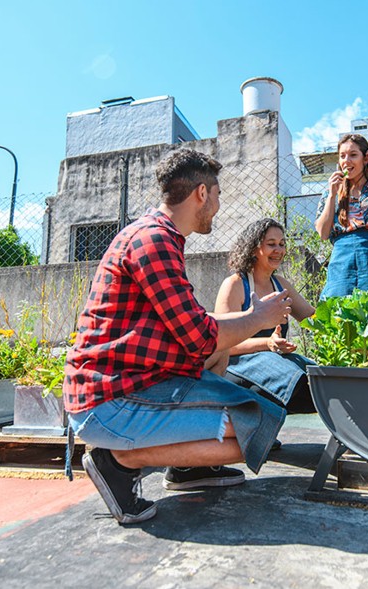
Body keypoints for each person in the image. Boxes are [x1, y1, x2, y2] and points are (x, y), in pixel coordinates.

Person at [63, 149, 294, 524]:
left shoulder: (158, 236)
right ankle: (116, 460)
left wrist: (244, 325)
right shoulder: (153, 241)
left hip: (132, 380)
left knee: (223, 359)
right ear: (201, 193)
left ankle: (188, 470)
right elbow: (200, 338)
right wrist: (258, 317)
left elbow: (199, 336)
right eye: (217, 196)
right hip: (109, 401)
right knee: (260, 423)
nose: (218, 206)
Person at [214, 218, 316, 415]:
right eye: (271, 244)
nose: (278, 250)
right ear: (253, 249)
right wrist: (268, 343)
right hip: (236, 366)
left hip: (273, 359)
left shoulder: (281, 284)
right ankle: (254, 427)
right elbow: (222, 344)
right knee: (293, 378)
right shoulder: (235, 285)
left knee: (318, 377)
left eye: (282, 244)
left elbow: (313, 319)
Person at [315, 134, 368, 298]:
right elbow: (323, 233)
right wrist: (332, 195)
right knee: (339, 310)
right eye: (342, 156)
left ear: (365, 159)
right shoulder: (331, 191)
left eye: (353, 155)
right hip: (341, 259)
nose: (346, 161)